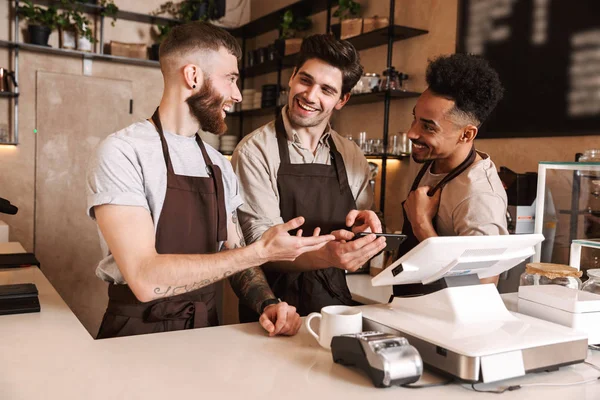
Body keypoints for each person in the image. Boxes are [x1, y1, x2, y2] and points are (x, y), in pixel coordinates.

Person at [86, 22, 334, 339]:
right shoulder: (123, 152)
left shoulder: (217, 163)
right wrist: (262, 251)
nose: (237, 95)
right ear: (193, 76)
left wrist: (268, 303)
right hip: (136, 333)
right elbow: (145, 280)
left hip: (206, 331)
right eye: (230, 79)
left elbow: (234, 253)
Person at [231, 34, 386, 319]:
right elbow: (261, 247)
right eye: (305, 80)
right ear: (291, 78)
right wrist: (328, 254)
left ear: (342, 100)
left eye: (327, 90)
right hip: (272, 308)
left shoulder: (351, 155)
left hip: (335, 306)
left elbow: (355, 234)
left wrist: (366, 235)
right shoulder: (255, 151)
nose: (310, 95)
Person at [394, 53, 507, 296]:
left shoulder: (480, 197)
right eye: (415, 119)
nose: (411, 133)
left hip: (447, 327)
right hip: (410, 307)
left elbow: (479, 292)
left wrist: (422, 224)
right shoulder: (429, 158)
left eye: (427, 126)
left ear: (466, 135)